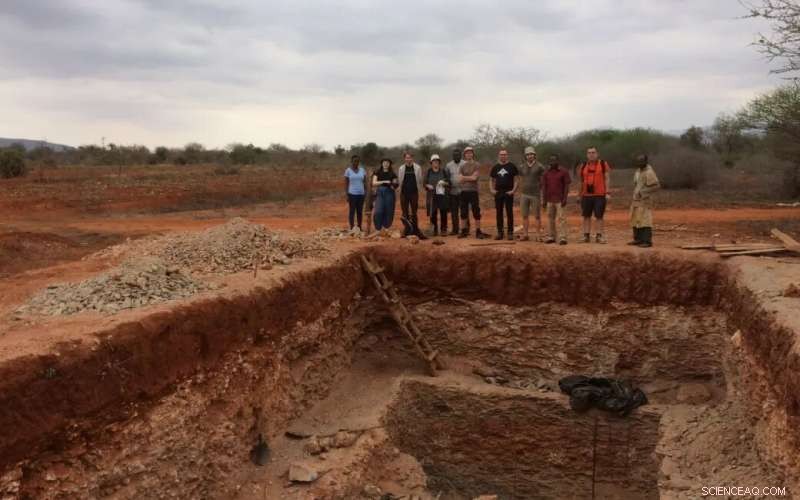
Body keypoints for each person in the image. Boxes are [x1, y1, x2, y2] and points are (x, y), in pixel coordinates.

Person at [578, 146, 612, 243]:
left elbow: (607, 178)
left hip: (600, 195)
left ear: (597, 154)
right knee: (586, 216)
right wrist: (579, 195)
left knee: (599, 216)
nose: (591, 154)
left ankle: (599, 236)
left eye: (593, 152)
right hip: (586, 195)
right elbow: (581, 181)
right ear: (587, 155)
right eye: (589, 153)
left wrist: (607, 192)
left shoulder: (603, 164)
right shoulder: (583, 165)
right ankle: (586, 236)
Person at [629, 154, 661, 248]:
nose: (639, 162)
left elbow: (656, 186)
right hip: (636, 199)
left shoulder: (649, 172)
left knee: (645, 220)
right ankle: (638, 239)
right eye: (638, 160)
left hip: (644, 200)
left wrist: (643, 192)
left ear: (646, 161)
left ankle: (647, 241)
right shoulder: (637, 171)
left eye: (642, 160)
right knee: (635, 219)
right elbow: (636, 184)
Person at [457, 146, 489, 239]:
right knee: (463, 212)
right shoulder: (461, 166)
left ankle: (478, 231)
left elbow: (475, 178)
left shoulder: (477, 165)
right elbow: (459, 179)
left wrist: (465, 178)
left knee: (476, 211)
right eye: (467, 153)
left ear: (473, 154)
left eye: (470, 153)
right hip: (463, 191)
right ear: (465, 155)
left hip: (473, 191)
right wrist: (469, 178)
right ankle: (463, 231)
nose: (469, 154)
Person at [489, 149, 520, 240]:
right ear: (499, 156)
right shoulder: (495, 167)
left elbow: (517, 179)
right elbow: (491, 179)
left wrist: (513, 190)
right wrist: (491, 189)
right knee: (499, 213)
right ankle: (500, 232)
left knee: (509, 212)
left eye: (504, 154)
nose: (503, 156)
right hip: (498, 192)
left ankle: (510, 232)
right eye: (501, 155)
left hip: (508, 192)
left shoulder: (512, 166)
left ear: (507, 156)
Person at [541, 154, 571, 245]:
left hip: (560, 199)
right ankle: (551, 236)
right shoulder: (546, 173)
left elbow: (566, 186)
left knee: (561, 218)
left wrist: (565, 198)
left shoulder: (564, 172)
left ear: (558, 161)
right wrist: (544, 200)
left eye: (554, 160)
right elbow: (544, 187)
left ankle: (562, 237)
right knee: (550, 219)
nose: (553, 162)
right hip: (549, 199)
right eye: (551, 160)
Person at [518, 146, 545, 241]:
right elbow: (520, 178)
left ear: (534, 155)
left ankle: (538, 235)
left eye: (531, 154)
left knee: (537, 216)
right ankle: (525, 234)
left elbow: (543, 179)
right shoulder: (521, 167)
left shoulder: (540, 166)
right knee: (525, 215)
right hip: (524, 194)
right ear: (525, 156)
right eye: (528, 154)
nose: (530, 156)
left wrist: (541, 189)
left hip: (535, 194)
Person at [397, 151, 425, 238]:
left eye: (410, 157)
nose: (408, 159)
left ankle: (416, 230)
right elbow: (400, 180)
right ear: (404, 158)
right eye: (406, 157)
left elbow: (420, 180)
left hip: (414, 193)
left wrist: (420, 190)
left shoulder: (417, 168)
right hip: (404, 193)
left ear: (412, 158)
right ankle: (407, 230)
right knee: (404, 213)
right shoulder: (401, 168)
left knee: (414, 212)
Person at [424, 154, 450, 236]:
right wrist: (428, 185)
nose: (435, 163)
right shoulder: (428, 172)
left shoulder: (443, 171)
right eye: (434, 161)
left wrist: (444, 183)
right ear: (431, 163)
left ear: (439, 162)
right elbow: (424, 183)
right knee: (433, 212)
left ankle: (443, 229)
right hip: (432, 195)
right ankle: (434, 229)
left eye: (437, 161)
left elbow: (449, 183)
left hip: (442, 195)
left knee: (443, 212)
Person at [372, 158, 398, 232]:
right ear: (382, 163)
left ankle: (386, 227)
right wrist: (384, 181)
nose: (386, 164)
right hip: (380, 192)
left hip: (389, 192)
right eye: (384, 162)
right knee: (378, 210)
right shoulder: (377, 172)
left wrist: (394, 185)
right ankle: (378, 228)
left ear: (389, 164)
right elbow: (374, 183)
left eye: (387, 163)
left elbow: (395, 183)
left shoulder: (392, 173)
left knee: (389, 210)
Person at [343, 155, 367, 232]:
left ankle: (360, 227)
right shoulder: (348, 171)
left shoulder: (362, 170)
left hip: (361, 194)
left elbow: (365, 182)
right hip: (352, 194)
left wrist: (366, 193)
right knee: (352, 211)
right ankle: (352, 227)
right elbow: (346, 183)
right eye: (354, 161)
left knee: (360, 211)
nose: (356, 163)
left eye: (357, 161)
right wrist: (347, 194)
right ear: (351, 161)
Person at [445, 148, 463, 235]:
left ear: (460, 155)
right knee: (454, 212)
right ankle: (455, 229)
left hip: (463, 191)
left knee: (464, 211)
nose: (456, 156)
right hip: (452, 191)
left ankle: (465, 229)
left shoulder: (464, 164)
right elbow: (447, 178)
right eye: (454, 155)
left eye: (458, 155)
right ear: (452, 156)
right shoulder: (448, 165)